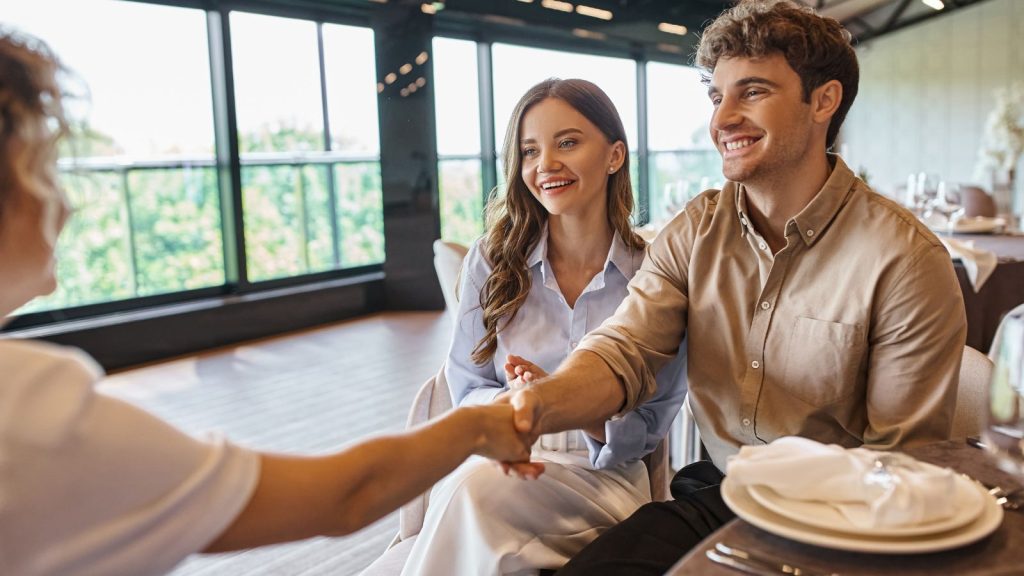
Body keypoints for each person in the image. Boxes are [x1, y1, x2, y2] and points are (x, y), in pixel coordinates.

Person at [0, 28, 535, 576]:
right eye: (45, 170)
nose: (64, 204)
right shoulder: (29, 407)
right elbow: (343, 497)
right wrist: (477, 426)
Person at [495, 2, 968, 574]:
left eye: (753, 92)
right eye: (717, 96)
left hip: (849, 517)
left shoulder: (906, 259)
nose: (723, 119)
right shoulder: (694, 230)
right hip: (721, 496)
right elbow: (625, 349)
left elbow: (901, 463)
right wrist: (536, 406)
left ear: (824, 101)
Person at [400, 78, 687, 575]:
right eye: (530, 151)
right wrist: (516, 404)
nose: (545, 164)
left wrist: (564, 402)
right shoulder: (491, 262)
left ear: (615, 155)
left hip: (607, 478)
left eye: (568, 142)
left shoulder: (654, 272)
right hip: (502, 458)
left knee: (474, 498)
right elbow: (464, 388)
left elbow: (651, 426)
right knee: (476, 494)